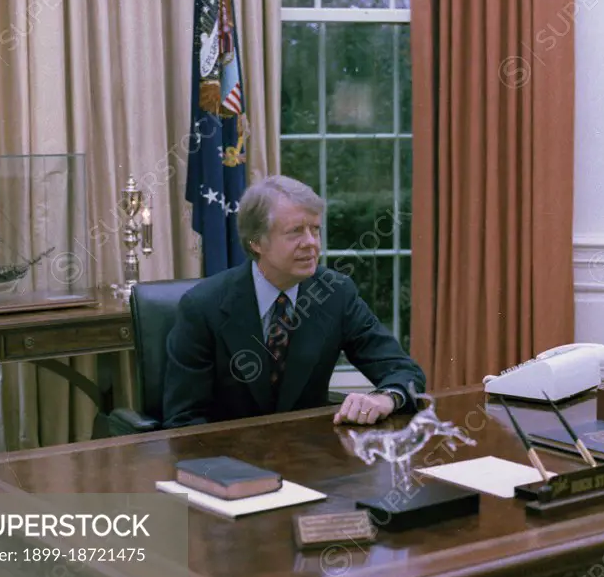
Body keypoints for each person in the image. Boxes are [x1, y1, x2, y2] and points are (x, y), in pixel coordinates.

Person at [162, 175, 426, 428]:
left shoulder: (335, 293)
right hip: (229, 462)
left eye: (315, 230)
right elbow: (184, 420)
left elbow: (404, 371)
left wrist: (385, 398)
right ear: (256, 242)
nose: (311, 243)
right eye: (296, 232)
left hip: (309, 457)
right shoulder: (202, 307)